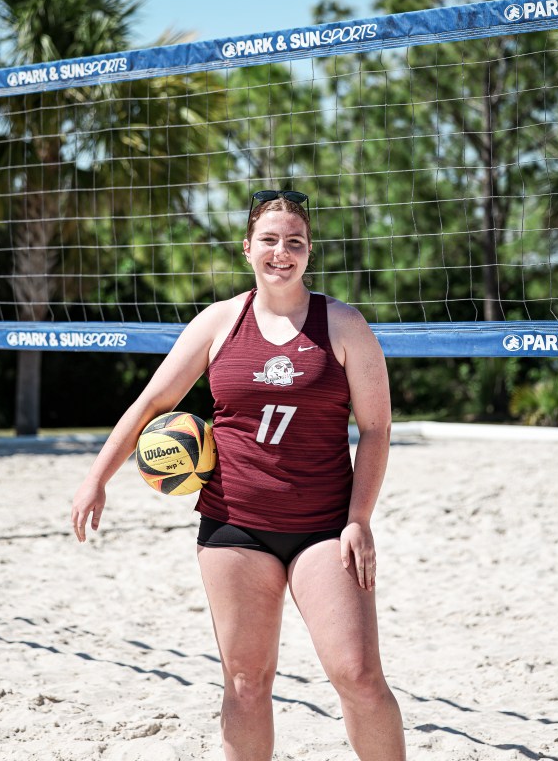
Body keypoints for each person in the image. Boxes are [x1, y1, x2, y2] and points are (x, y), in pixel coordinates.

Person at [72, 189, 406, 761]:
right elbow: (153, 403)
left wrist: (359, 519)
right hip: (234, 525)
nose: (282, 252)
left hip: (324, 526)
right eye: (269, 240)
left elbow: (376, 429)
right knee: (247, 683)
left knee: (358, 676)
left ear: (309, 251)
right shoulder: (220, 321)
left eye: (295, 242)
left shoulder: (344, 325)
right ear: (247, 248)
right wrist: (96, 478)